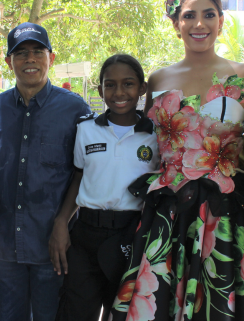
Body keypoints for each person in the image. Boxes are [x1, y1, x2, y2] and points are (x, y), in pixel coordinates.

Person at [108, 0, 244, 321]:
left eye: (209, 15)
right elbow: (148, 143)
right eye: (189, 15)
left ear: (221, 21)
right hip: (168, 213)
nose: (200, 24)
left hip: (224, 213)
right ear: (175, 24)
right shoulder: (158, 79)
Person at [0, 22, 91, 321]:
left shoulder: (75, 109)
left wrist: (61, 221)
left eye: (36, 51)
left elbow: (83, 171)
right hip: (5, 247)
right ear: (9, 62)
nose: (29, 59)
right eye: (20, 53)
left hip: (54, 246)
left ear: (50, 58)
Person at [52, 55, 160, 321]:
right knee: (75, 310)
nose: (119, 92)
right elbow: (79, 177)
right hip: (86, 235)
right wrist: (61, 222)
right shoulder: (86, 130)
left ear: (142, 89)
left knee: (123, 313)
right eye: (110, 85)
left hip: (131, 235)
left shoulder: (156, 135)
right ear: (100, 90)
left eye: (128, 84)